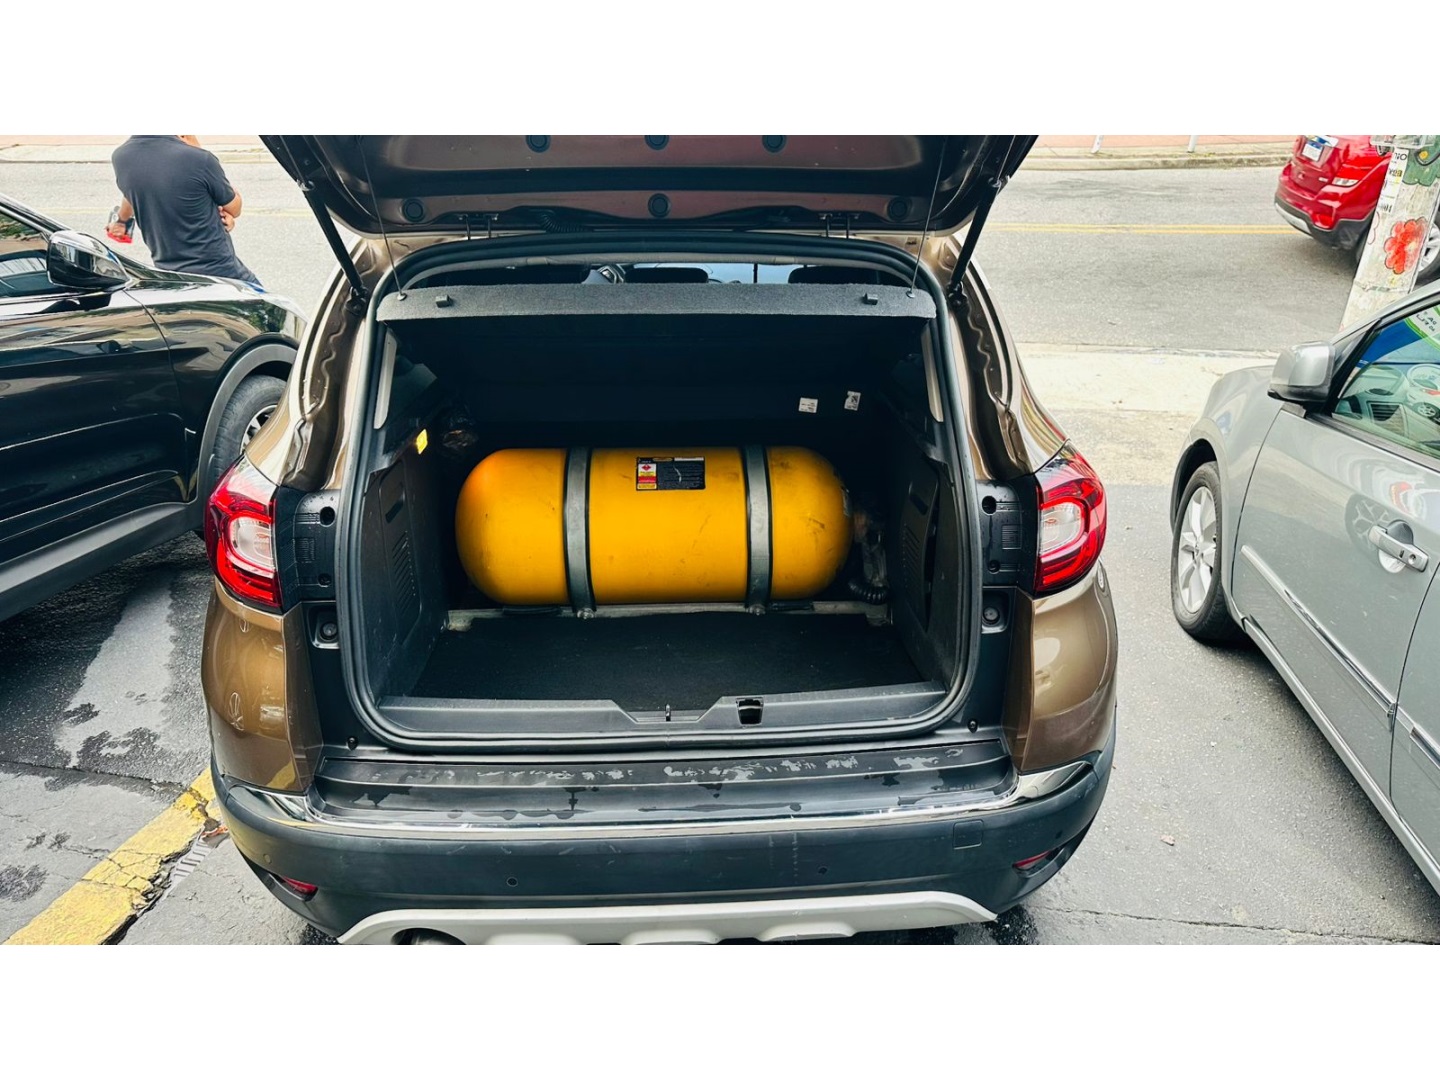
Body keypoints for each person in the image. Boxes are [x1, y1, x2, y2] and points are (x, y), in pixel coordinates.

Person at [108, 135, 261, 286]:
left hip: (168, 273)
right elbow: (234, 208)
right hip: (218, 271)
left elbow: (133, 192)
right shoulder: (200, 159)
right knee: (262, 298)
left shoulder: (121, 157)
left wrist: (121, 221)